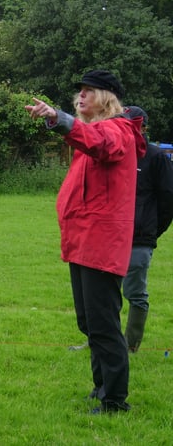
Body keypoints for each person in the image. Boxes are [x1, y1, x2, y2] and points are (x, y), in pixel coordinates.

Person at [26, 69, 146, 414]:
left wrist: (57, 118)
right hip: (83, 242)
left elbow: (99, 144)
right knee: (89, 322)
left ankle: (115, 400)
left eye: (89, 91)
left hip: (101, 244)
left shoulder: (117, 131)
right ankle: (101, 387)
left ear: (107, 97)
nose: (80, 97)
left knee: (104, 324)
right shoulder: (93, 132)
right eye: (79, 91)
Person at [120, 106, 173, 352]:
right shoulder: (115, 154)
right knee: (103, 294)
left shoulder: (156, 157)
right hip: (110, 238)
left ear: (142, 127)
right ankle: (99, 341)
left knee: (135, 292)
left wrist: (150, 231)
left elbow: (167, 201)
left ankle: (130, 346)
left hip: (140, 239)